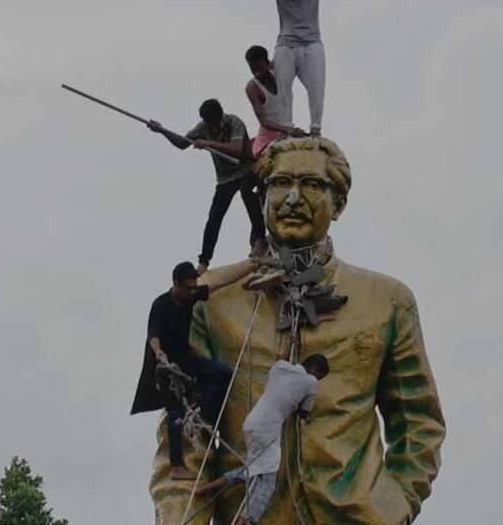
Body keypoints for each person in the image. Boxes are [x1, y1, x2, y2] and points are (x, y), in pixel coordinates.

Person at [149, 137, 446, 524]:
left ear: (338, 203)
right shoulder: (213, 301)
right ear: (261, 198)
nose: (292, 198)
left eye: (312, 184)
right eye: (280, 183)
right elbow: (187, 432)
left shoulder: (387, 301)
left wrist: (394, 505)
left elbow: (418, 423)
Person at [233, 0, 378, 136]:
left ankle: (316, 127)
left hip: (312, 42)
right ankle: (287, 128)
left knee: (316, 84)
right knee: (283, 83)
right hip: (286, 43)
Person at [131, 260, 254, 481]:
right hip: (167, 367)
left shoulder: (191, 295)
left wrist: (252, 267)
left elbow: (221, 283)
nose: (191, 292)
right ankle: (177, 466)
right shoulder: (161, 304)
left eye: (193, 288)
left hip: (187, 359)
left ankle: (203, 414)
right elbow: (154, 334)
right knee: (175, 411)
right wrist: (159, 353)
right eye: (187, 288)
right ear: (175, 284)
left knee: (224, 374)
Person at [194, 334, 330, 525]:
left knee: (252, 470)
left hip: (252, 423)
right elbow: (304, 413)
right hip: (268, 429)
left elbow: (280, 358)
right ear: (315, 369)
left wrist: (288, 345)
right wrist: (298, 406)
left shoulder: (280, 368)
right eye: (319, 376)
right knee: (267, 483)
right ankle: (245, 522)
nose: (318, 380)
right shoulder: (311, 382)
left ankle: (207, 489)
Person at [148, 99, 267, 274]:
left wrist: (209, 143)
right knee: (214, 216)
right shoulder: (202, 128)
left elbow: (236, 148)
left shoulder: (234, 122)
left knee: (246, 191)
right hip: (225, 178)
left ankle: (259, 238)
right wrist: (162, 131)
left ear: (221, 117)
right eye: (213, 125)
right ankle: (204, 261)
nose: (217, 127)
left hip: (246, 169)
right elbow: (182, 143)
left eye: (218, 122)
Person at [244, 44, 306, 159]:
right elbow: (264, 121)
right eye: (253, 69)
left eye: (260, 68)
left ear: (267, 63)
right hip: (269, 136)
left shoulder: (277, 70)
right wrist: (289, 130)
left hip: (287, 130)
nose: (257, 73)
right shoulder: (252, 88)